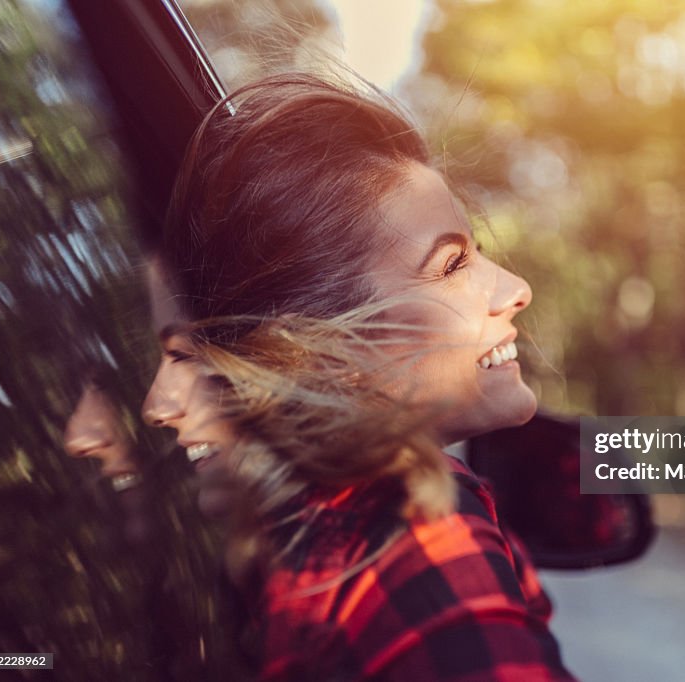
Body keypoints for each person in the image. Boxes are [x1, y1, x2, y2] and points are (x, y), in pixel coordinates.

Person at [143, 72, 576, 680]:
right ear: (320, 349)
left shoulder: (280, 549)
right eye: (452, 264)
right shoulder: (419, 537)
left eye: (476, 252)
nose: (515, 289)